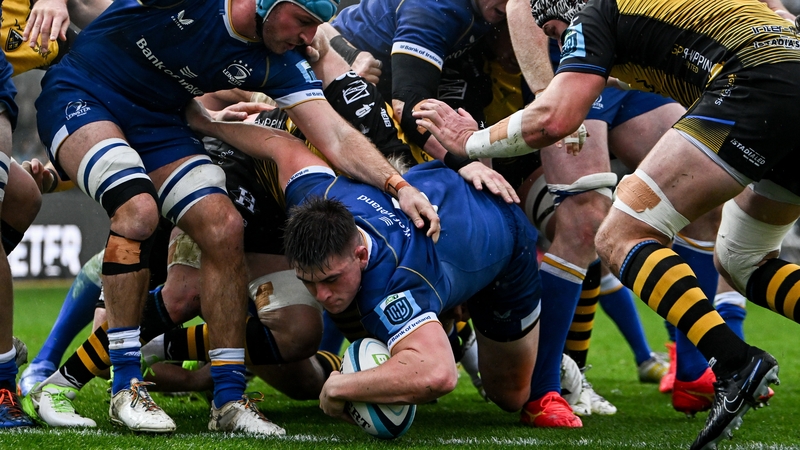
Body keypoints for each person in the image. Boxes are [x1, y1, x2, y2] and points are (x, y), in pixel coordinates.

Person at [29, 0, 443, 436]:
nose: (309, 38)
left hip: (165, 124)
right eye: (302, 22)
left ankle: (227, 397)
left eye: (316, 28)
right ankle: (108, 382)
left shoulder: (284, 65)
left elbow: (337, 135)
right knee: (140, 214)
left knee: (226, 228)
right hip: (87, 93)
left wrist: (400, 186)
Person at [415, 0, 795, 448]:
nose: (558, 41)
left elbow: (554, 116)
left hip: (750, 82)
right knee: (743, 260)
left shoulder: (591, 14)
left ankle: (731, 362)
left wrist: (470, 142)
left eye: (556, 33)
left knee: (618, 235)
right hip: (773, 65)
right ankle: (551, 389)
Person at [185, 98, 549, 432]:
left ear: (360, 254)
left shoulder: (396, 283)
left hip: (506, 239)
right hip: (448, 200)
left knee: (510, 395)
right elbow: (282, 145)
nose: (322, 296)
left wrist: (339, 387)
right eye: (308, 283)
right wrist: (208, 122)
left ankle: (548, 367)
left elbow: (438, 375)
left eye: (330, 279)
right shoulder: (320, 195)